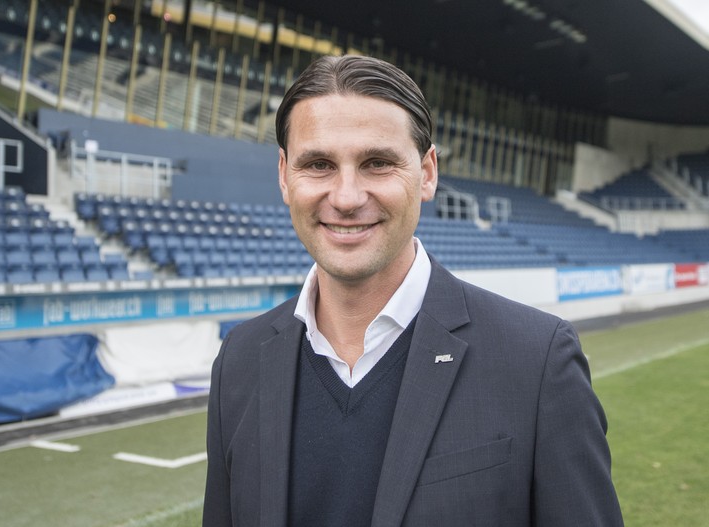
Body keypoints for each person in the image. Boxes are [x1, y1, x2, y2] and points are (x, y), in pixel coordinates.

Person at [203, 55, 623, 526]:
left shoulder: (537, 360)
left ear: (426, 173)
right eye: (318, 164)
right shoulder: (240, 359)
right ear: (284, 175)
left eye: (377, 163)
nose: (345, 197)